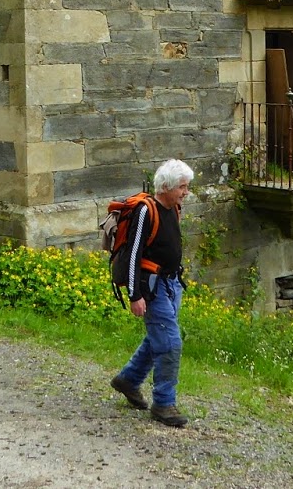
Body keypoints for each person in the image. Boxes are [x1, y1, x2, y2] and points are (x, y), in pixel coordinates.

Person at [109, 158, 192, 428]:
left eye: (186, 187)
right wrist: (135, 295)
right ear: (166, 186)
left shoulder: (174, 208)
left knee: (159, 336)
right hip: (151, 287)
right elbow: (133, 254)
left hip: (170, 284)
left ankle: (129, 380)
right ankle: (164, 403)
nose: (185, 192)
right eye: (182, 187)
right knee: (170, 343)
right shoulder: (147, 210)